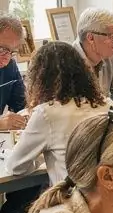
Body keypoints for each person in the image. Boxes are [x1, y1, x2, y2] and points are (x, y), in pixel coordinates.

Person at [5, 41, 106, 185]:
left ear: (39, 78)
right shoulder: (106, 104)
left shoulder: (47, 113)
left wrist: (40, 156)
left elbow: (15, 166)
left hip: (70, 199)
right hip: (107, 195)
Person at [0, 13, 29, 132]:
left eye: (12, 52)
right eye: (2, 49)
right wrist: (1, 124)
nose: (6, 59)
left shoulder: (10, 67)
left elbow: (22, 105)